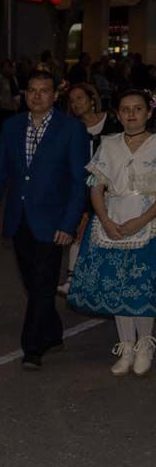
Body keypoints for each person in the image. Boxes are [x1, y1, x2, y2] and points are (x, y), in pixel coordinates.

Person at [0, 70, 91, 369]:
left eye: (44, 91)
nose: (36, 96)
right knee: (34, 284)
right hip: (19, 219)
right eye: (31, 90)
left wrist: (69, 224)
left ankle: (32, 347)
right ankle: (53, 332)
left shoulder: (70, 129)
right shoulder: (12, 126)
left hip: (53, 221)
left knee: (43, 283)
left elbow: (78, 181)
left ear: (55, 95)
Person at [67, 90, 156, 376]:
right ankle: (126, 345)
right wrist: (104, 220)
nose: (131, 114)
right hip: (113, 221)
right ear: (117, 114)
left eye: (138, 109)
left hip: (148, 222)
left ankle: (145, 344)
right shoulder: (108, 144)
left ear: (149, 113)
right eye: (125, 109)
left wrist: (142, 220)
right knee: (119, 285)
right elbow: (96, 188)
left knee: (142, 286)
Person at [58, 83, 124, 294]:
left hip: (115, 186)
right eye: (72, 100)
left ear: (92, 99)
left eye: (80, 98)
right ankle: (72, 277)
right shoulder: (70, 128)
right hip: (84, 187)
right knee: (81, 228)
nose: (76, 103)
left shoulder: (113, 121)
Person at [0, 59, 21, 136]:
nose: (7, 69)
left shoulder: (13, 78)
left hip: (13, 108)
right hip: (3, 109)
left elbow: (16, 92)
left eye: (9, 67)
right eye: (6, 67)